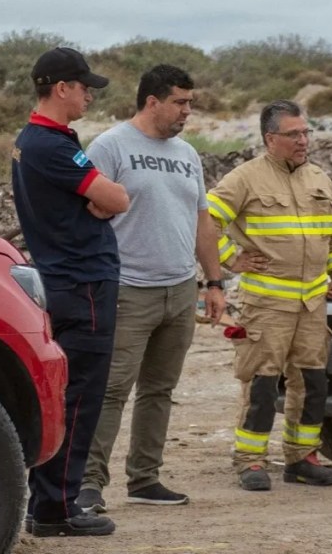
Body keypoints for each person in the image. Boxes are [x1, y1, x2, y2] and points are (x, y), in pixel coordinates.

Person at [78, 64, 226, 511]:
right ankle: (87, 484)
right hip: (127, 287)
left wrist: (214, 281)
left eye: (190, 104)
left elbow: (202, 220)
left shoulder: (187, 154)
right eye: (180, 103)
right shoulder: (110, 145)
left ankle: (144, 478)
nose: (187, 112)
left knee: (159, 389)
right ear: (152, 101)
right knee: (110, 389)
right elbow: (87, 211)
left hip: (179, 290)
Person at [11, 47, 129, 536]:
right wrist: (101, 202)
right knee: (79, 397)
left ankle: (49, 501)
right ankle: (57, 506)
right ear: (61, 88)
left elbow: (103, 200)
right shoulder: (51, 145)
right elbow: (118, 197)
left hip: (64, 278)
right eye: (84, 88)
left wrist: (98, 202)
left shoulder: (35, 140)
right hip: (81, 284)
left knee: (67, 391)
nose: (88, 96)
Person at [207, 99, 332, 491]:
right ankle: (250, 461)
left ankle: (302, 458)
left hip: (312, 306)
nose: (303, 140)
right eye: (294, 134)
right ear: (271, 138)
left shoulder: (319, 178)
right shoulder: (245, 178)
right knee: (261, 384)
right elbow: (203, 224)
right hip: (266, 305)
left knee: (312, 383)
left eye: (306, 132)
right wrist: (231, 259)